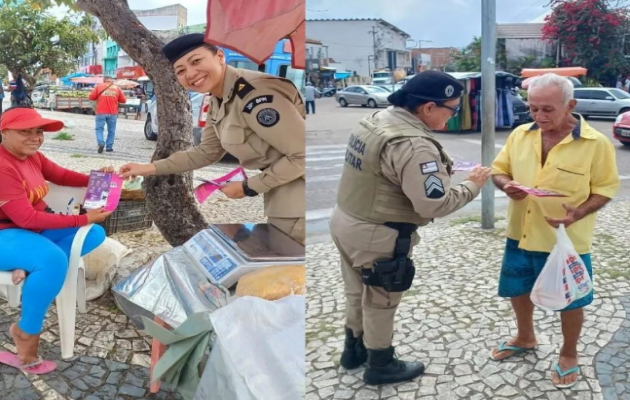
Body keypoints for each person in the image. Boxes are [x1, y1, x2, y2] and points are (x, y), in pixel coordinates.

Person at [330, 70, 492, 385]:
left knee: (355, 290)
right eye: (452, 109)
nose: (454, 114)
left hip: (345, 220)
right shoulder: (415, 145)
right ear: (428, 108)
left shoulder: (378, 119)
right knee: (380, 299)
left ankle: (353, 351)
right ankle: (380, 364)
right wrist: (473, 185)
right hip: (377, 233)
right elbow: (434, 204)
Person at [490, 73, 619, 389]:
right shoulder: (520, 135)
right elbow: (498, 170)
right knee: (518, 288)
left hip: (567, 241)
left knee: (572, 299)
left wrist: (579, 213)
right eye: (533, 108)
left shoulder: (595, 144)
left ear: (570, 105)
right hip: (521, 231)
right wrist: (506, 185)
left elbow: (605, 187)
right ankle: (525, 337)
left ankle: (569, 353)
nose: (539, 116)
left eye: (548, 109)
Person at [119, 34, 306, 244]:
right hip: (284, 194)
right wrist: (146, 168)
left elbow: (303, 154)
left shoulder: (255, 94)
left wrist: (249, 187)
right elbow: (207, 151)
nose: (191, 74)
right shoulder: (219, 97)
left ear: (219, 56)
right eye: (180, 71)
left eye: (196, 61)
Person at [0, 106, 113, 373]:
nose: (35, 137)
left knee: (95, 233)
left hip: (27, 233)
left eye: (38, 131)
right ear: (4, 132)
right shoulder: (3, 166)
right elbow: (27, 219)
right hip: (7, 233)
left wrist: (101, 179)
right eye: (25, 131)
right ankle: (25, 332)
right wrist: (83, 218)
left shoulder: (32, 157)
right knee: (52, 259)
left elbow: (61, 176)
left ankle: (30, 267)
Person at [89, 76, 126, 154]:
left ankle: (101, 142)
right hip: (113, 112)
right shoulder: (117, 88)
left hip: (101, 112)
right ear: (111, 81)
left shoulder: (98, 87)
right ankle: (109, 147)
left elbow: (91, 97)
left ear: (104, 81)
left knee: (99, 129)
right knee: (111, 130)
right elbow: (123, 100)